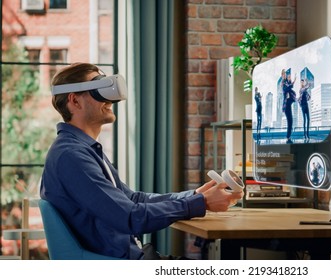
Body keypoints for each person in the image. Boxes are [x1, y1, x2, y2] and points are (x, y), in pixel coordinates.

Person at [40, 62, 243, 260]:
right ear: (75, 101)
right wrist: (202, 203)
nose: (111, 100)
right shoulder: (72, 155)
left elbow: (134, 199)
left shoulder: (84, 149)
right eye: (99, 89)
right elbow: (130, 217)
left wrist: (194, 195)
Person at [282, 69, 296, 144]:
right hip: (286, 105)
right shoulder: (283, 83)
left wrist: (291, 80)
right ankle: (288, 137)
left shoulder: (287, 83)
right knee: (289, 120)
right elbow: (288, 87)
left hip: (289, 104)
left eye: (286, 74)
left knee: (290, 120)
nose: (285, 76)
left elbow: (290, 86)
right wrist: (293, 81)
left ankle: (288, 136)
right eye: (284, 74)